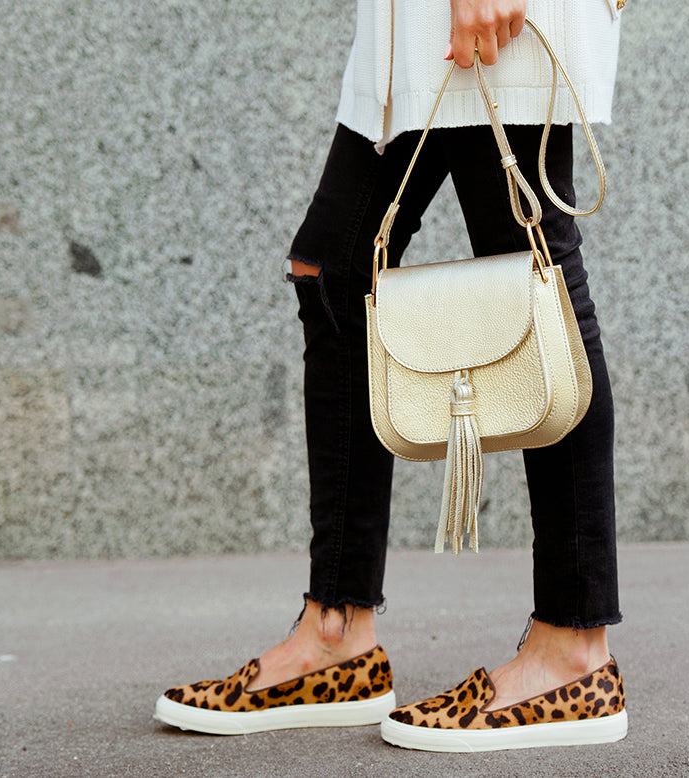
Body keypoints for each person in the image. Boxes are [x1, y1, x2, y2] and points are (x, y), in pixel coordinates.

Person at [155, 0, 626, 752]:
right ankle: (337, 633)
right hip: (412, 26)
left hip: (481, 16)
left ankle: (573, 648)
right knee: (335, 273)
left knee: (537, 283)